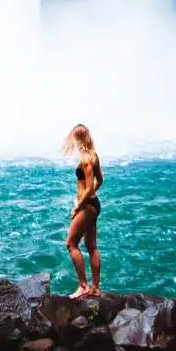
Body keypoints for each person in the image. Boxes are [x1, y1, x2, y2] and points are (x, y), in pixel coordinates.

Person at [63, 123, 103, 297]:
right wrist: (89, 197)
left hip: (87, 207)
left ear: (78, 139)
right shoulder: (93, 156)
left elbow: (88, 188)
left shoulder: (86, 161)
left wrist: (78, 206)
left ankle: (83, 286)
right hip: (93, 205)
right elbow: (100, 180)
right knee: (91, 246)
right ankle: (95, 288)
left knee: (71, 244)